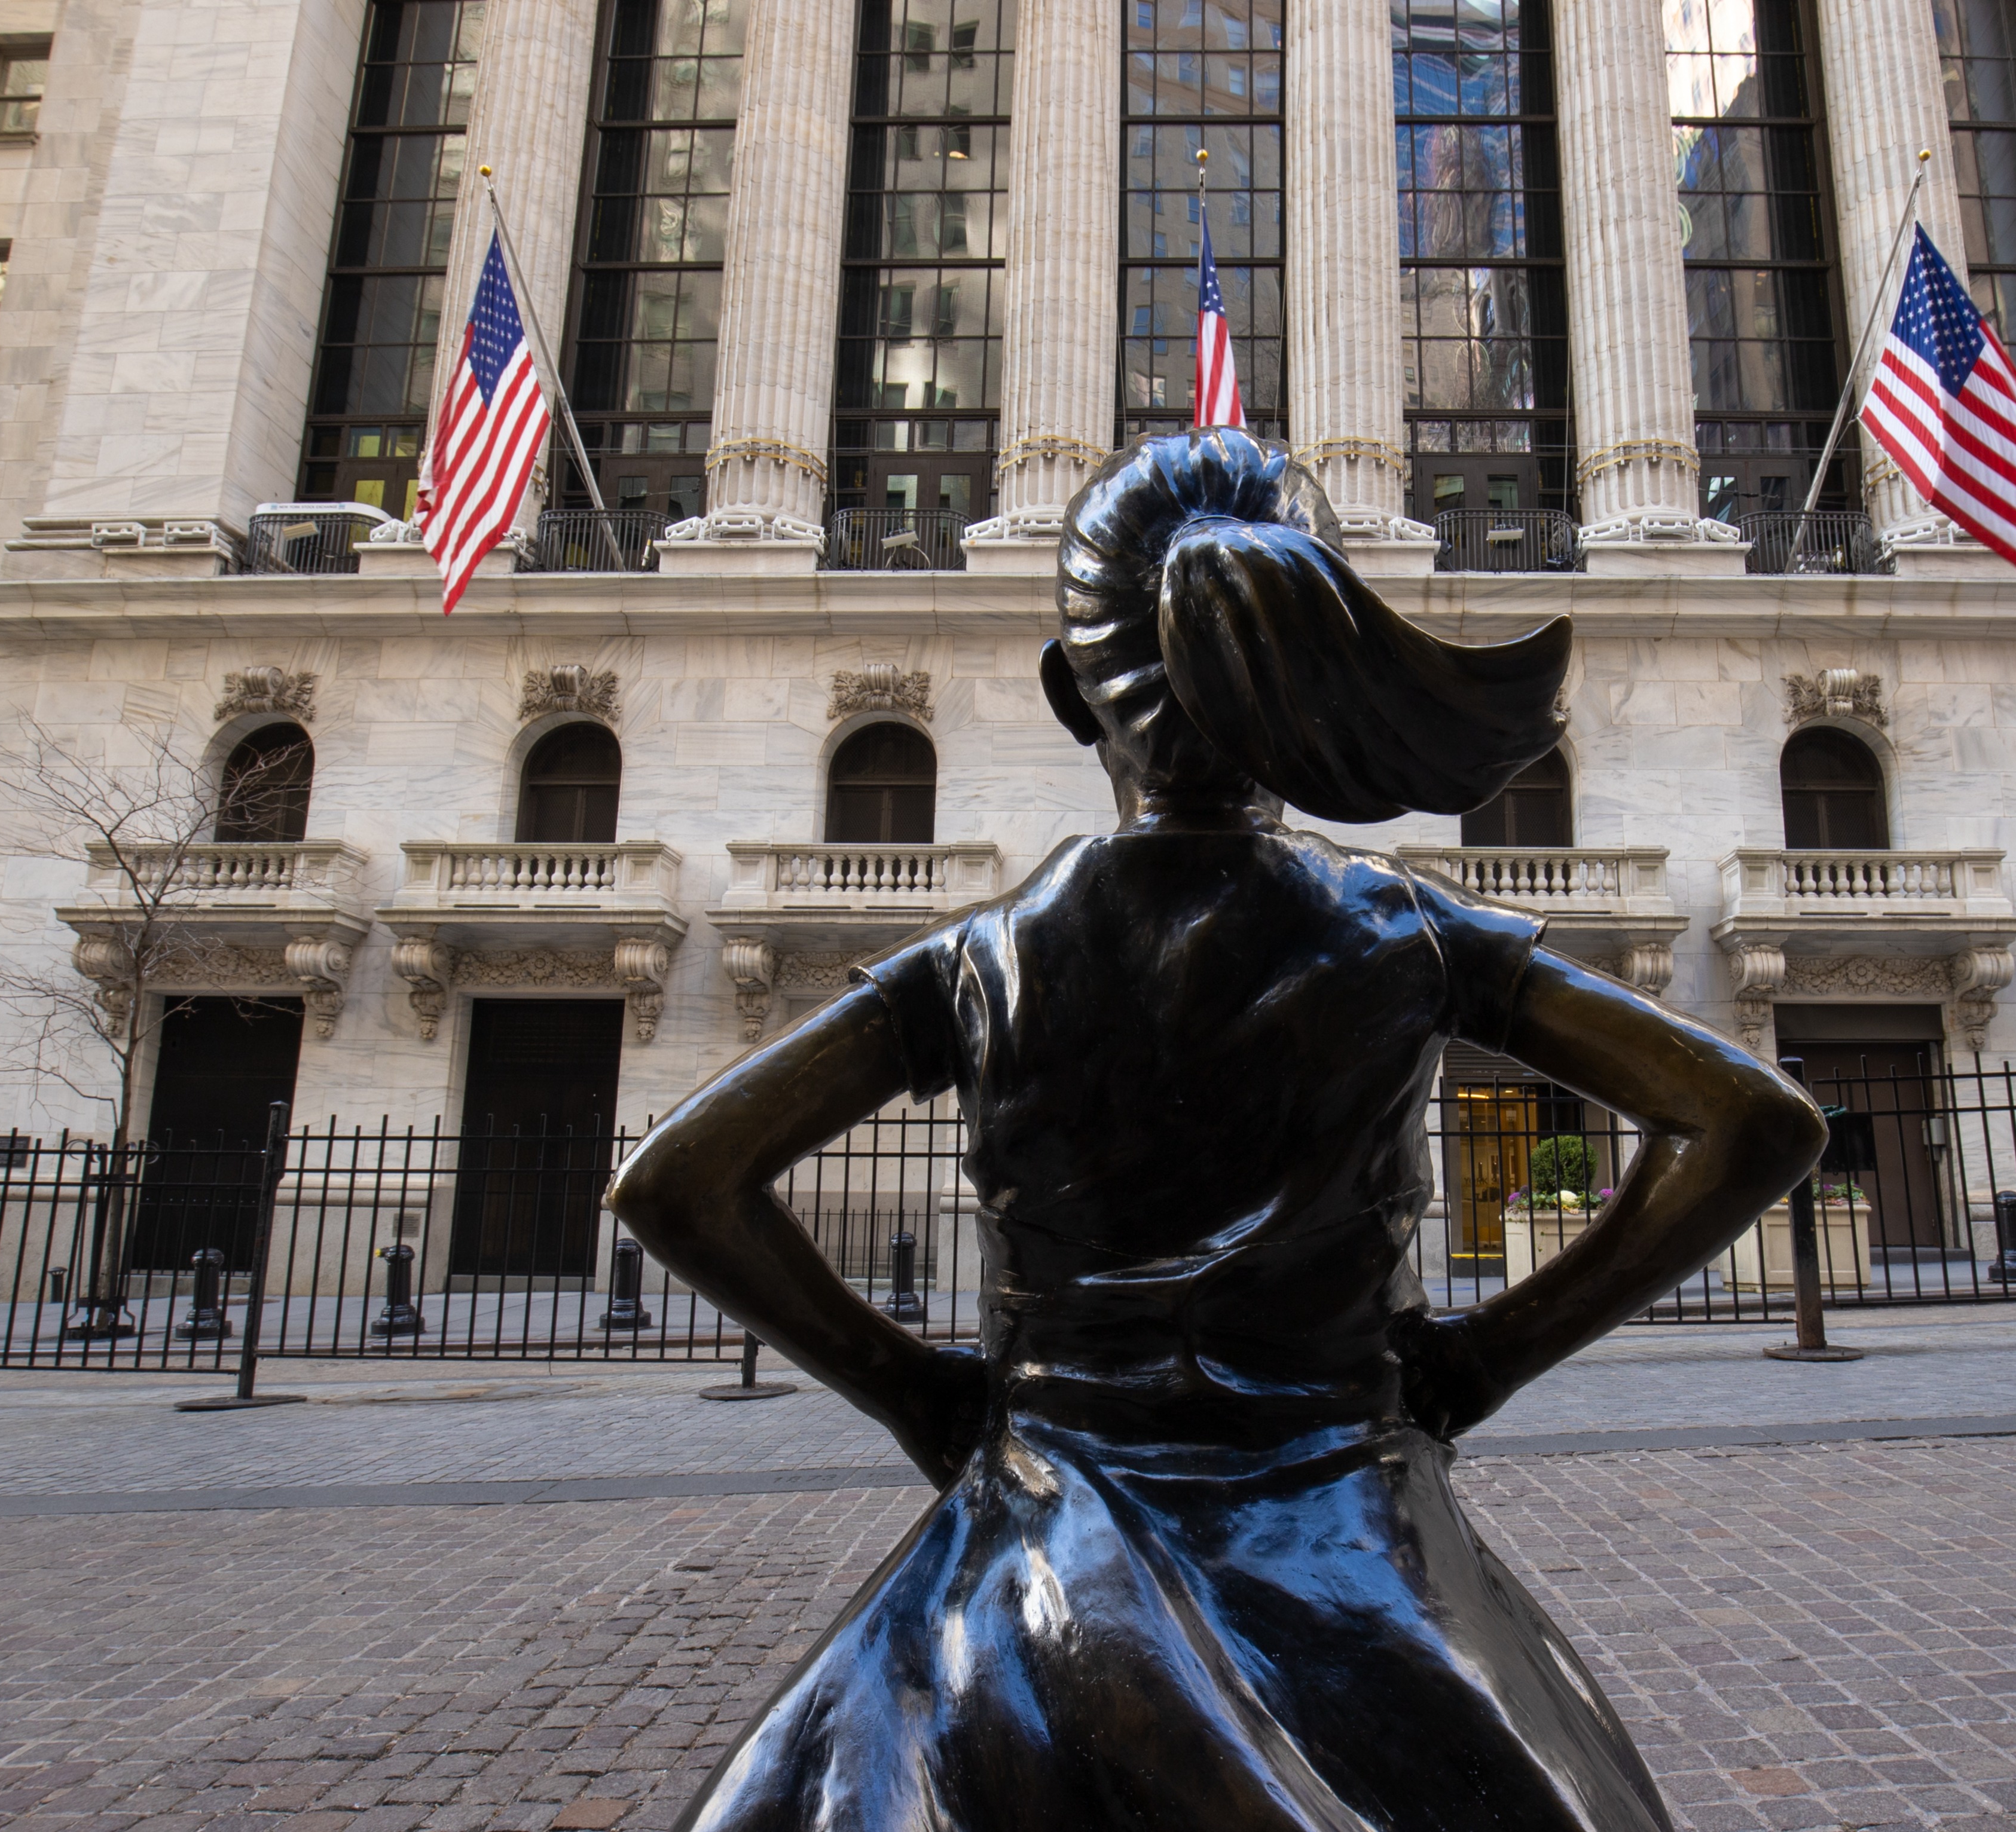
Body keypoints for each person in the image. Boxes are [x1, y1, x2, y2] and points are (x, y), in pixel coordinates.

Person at [612, 430, 1828, 1831]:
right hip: (1347, 1538)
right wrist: (1481, 1364)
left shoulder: (986, 958)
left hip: (1042, 1532)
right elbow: (1749, 1121)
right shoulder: (1403, 930)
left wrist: (920, 1395)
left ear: (1075, 695)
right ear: (1306, 673)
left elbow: (678, 1182)